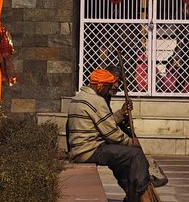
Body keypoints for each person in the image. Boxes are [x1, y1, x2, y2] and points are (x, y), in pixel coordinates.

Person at [66, 68, 167, 201]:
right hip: (89, 151)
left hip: (82, 149)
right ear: (101, 86)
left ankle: (135, 190)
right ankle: (142, 189)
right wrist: (131, 142)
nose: (108, 90)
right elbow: (111, 133)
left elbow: (105, 122)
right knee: (135, 154)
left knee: (124, 160)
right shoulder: (96, 100)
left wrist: (121, 112)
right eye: (107, 87)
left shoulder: (79, 98)